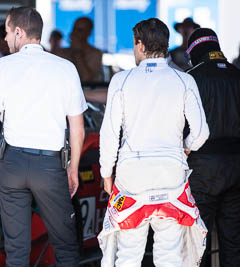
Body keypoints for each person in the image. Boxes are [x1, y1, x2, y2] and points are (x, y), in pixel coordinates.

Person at [0, 7, 87, 267]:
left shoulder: (2, 66)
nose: (5, 39)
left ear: (19, 32)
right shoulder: (65, 68)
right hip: (50, 167)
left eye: (6, 32)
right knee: (66, 248)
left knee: (16, 251)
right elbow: (78, 128)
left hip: (12, 164)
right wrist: (73, 170)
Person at [97, 18, 209, 267]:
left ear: (139, 45)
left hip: (131, 176)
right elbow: (201, 133)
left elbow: (109, 133)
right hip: (171, 174)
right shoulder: (184, 80)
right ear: (166, 45)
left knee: (128, 254)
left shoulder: (121, 81)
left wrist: (106, 173)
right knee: (169, 254)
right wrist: (185, 148)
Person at [186, 28, 240, 267]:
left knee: (199, 240)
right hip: (237, 167)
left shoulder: (191, 78)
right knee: (234, 240)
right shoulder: (238, 75)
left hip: (202, 169)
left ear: (194, 51)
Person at [55, 17, 103, 82]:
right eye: (74, 29)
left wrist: (77, 52)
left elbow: (86, 78)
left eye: (80, 30)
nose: (75, 33)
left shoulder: (96, 54)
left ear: (89, 33)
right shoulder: (62, 52)